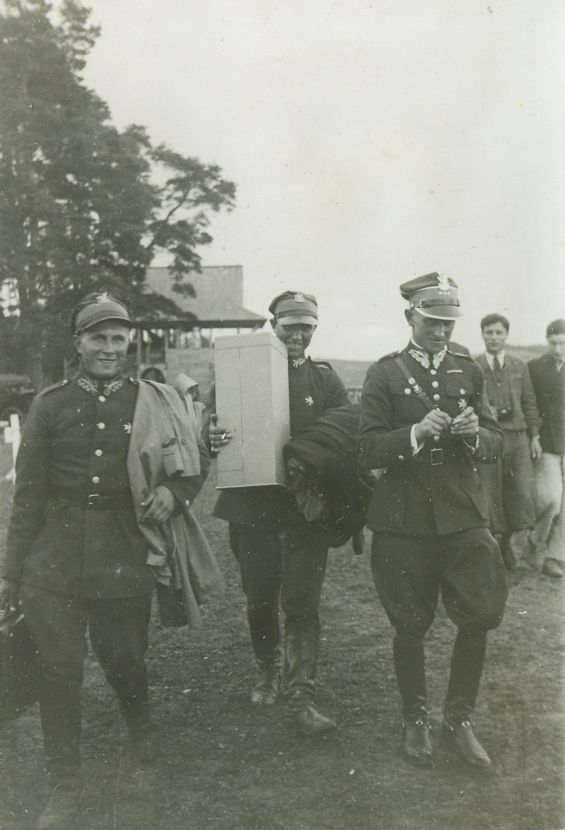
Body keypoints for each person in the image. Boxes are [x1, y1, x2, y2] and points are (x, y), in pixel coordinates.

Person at [0, 292, 208, 830]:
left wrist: (175, 493)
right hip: (53, 560)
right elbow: (28, 497)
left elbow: (192, 460)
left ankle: (140, 724)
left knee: (124, 658)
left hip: (124, 551)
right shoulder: (50, 404)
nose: (110, 348)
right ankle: (65, 785)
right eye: (98, 338)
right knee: (58, 672)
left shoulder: (153, 401)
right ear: (79, 343)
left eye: (118, 338)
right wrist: (11, 571)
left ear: (129, 342)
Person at [357, 273, 508, 771]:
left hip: (463, 512)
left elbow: (496, 441)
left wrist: (474, 434)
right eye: (432, 323)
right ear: (410, 317)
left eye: (448, 323)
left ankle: (459, 721)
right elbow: (366, 448)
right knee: (410, 621)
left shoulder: (469, 369)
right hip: (405, 516)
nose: (441, 332)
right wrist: (416, 433)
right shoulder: (384, 374)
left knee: (479, 613)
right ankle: (415, 719)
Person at [210, 291, 349, 735]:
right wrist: (212, 434)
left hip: (306, 509)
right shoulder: (242, 368)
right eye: (290, 326)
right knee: (260, 596)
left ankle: (300, 692)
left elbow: (346, 431)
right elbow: (213, 419)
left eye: (306, 327)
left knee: (303, 601)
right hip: (254, 507)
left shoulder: (324, 380)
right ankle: (268, 669)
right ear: (273, 325)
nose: (298, 335)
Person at [476, 313, 541, 567]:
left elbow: (530, 402)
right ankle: (494, 547)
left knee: (521, 492)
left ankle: (510, 543)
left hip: (518, 438)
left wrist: (534, 436)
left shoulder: (518, 366)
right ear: (482, 334)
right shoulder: (474, 366)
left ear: (506, 335)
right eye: (489, 332)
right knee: (490, 491)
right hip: (489, 438)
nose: (494, 337)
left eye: (498, 332)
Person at [528, 319, 565, 578]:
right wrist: (534, 435)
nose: (558, 349)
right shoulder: (534, 368)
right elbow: (529, 404)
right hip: (548, 443)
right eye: (553, 343)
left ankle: (555, 556)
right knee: (550, 499)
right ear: (547, 342)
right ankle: (534, 542)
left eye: (562, 343)